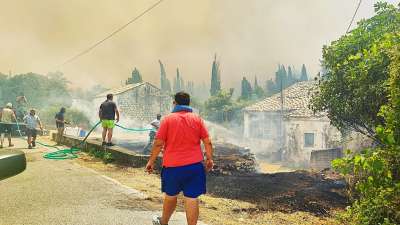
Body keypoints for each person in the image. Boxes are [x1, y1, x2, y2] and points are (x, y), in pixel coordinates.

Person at [146, 92, 214, 225]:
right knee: (192, 198)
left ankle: (163, 222)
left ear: (174, 103)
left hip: (172, 167)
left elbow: (158, 143)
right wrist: (209, 159)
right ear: (189, 104)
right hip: (194, 167)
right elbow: (208, 142)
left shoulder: (167, 119)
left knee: (170, 196)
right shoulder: (197, 119)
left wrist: (151, 161)